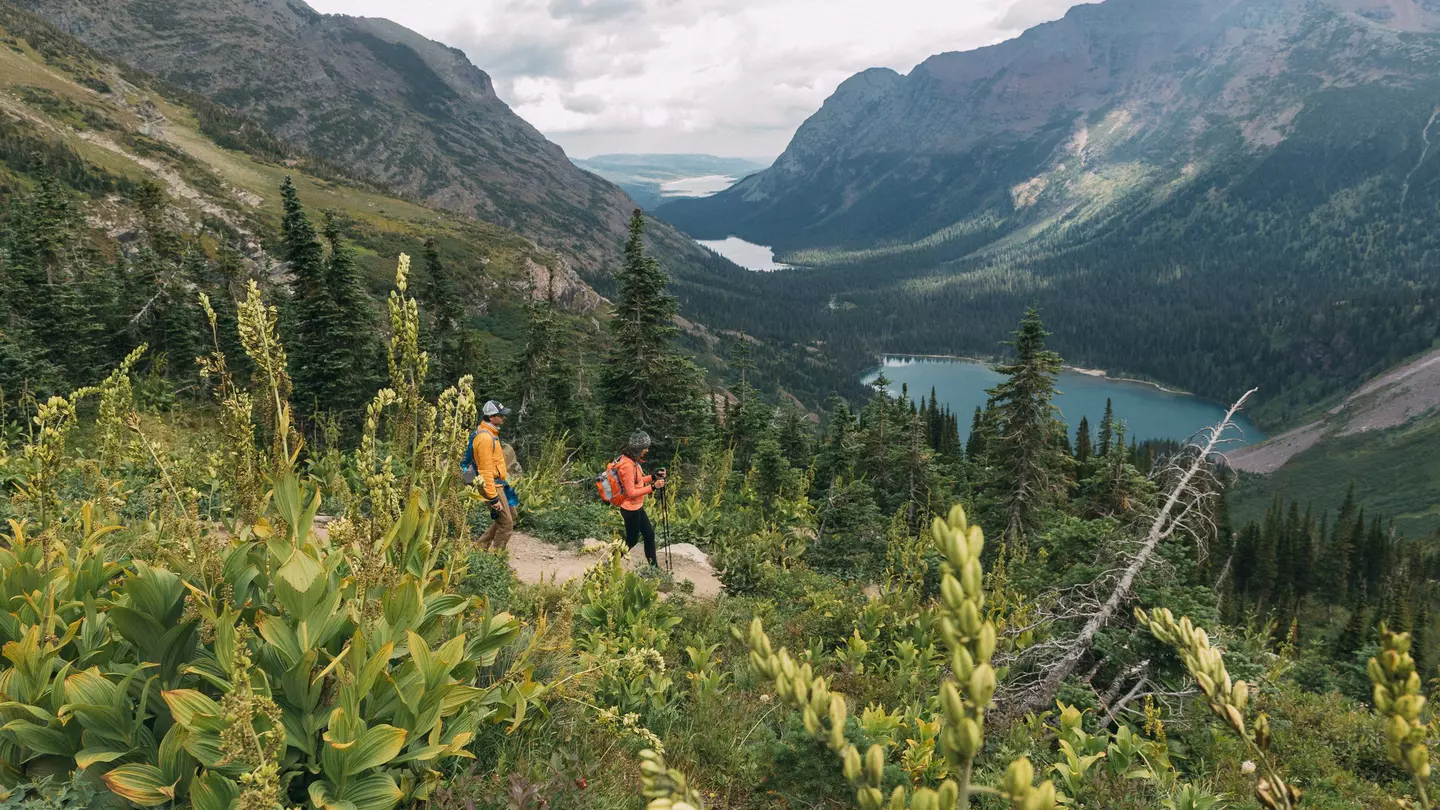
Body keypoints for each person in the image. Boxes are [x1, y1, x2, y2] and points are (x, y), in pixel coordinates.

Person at [614, 430, 666, 567]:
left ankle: (654, 569)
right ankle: (612, 561)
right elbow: (630, 492)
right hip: (630, 509)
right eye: (645, 448)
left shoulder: (633, 461)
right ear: (638, 449)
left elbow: (637, 481)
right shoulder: (627, 465)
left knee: (649, 535)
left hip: (636, 507)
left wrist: (653, 477)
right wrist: (653, 487)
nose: (647, 450)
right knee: (631, 540)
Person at [473, 400, 515, 551]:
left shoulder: (490, 434)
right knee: (506, 524)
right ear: (491, 417)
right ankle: (495, 560)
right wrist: (493, 498)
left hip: (498, 483)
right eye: (500, 416)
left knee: (510, 513)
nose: (503, 418)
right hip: (491, 485)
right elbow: (484, 470)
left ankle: (477, 550)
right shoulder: (485, 438)